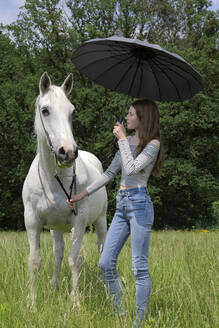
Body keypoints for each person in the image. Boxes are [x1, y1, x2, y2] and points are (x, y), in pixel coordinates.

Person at [67, 99, 162, 328]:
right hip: (121, 205)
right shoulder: (127, 141)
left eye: (131, 114)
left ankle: (138, 323)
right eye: (127, 114)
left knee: (139, 268)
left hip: (139, 204)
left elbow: (131, 169)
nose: (126, 118)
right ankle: (120, 314)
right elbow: (110, 173)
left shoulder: (153, 144)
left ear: (143, 118)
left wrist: (121, 140)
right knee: (105, 263)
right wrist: (83, 194)